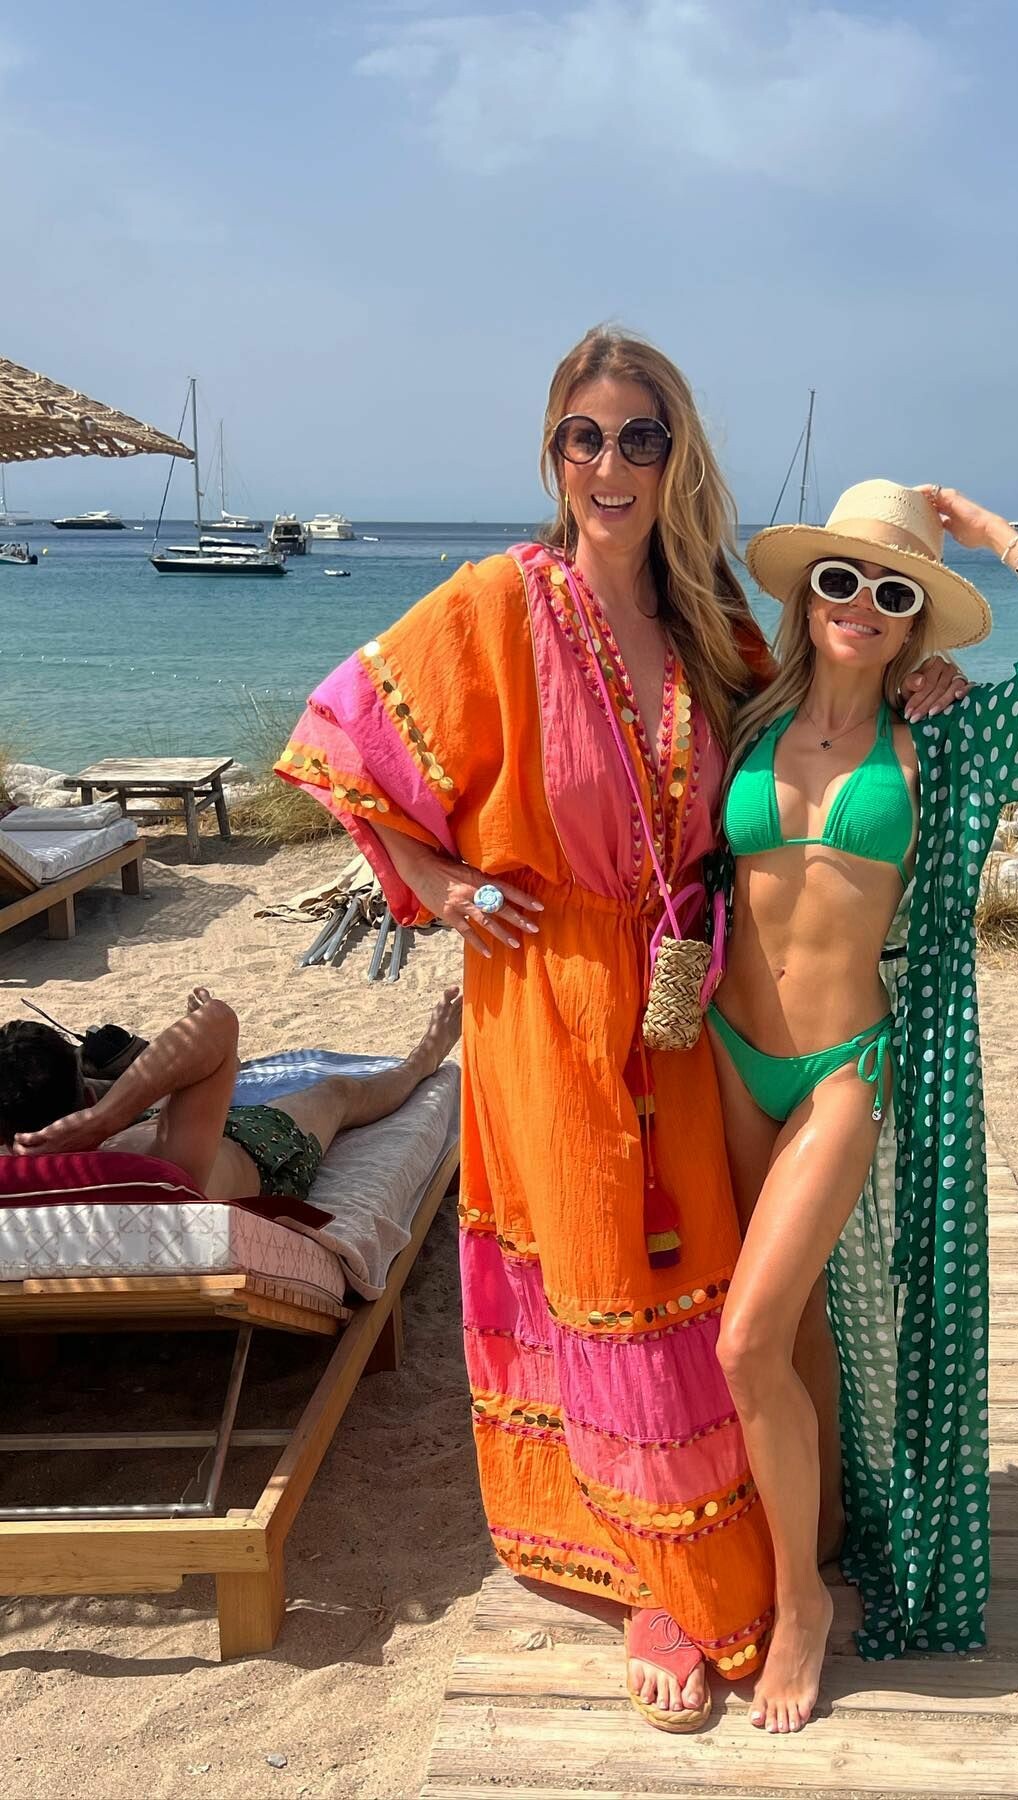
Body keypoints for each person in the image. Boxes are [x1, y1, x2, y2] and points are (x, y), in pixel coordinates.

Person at [272, 330, 967, 1732]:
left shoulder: (714, 622)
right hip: (546, 1001)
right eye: (584, 436)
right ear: (554, 453)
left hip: (685, 1005)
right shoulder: (495, 604)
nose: (610, 463)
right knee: (600, 1278)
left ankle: (758, 1536)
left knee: (698, 1283)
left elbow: (824, 702)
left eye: (639, 438)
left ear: (674, 457)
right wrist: (442, 885)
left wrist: (914, 684)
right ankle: (660, 1584)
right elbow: (341, 741)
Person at [709, 479, 1018, 1733]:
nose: (862, 605)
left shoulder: (950, 735)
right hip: (727, 1056)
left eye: (894, 591)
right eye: (841, 580)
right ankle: (818, 1540)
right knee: (795, 1333)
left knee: (744, 1342)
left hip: (843, 1070)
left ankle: (802, 1610)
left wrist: (994, 538)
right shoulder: (742, 711)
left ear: (917, 619)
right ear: (805, 594)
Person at [1, 987, 461, 1195]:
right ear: (86, 1103)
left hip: (173, 1129)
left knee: (171, 1085)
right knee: (338, 1093)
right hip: (259, 1150)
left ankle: (211, 1069)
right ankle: (422, 1060)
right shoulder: (156, 1166)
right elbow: (219, 1019)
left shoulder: (14, 1175)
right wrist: (104, 1120)